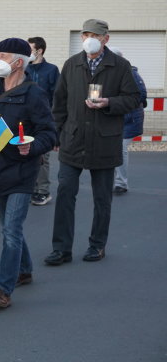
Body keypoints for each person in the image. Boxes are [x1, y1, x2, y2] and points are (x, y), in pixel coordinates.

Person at [44, 19, 140, 266]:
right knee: (65, 193)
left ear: (106, 38)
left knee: (102, 199)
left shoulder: (120, 66)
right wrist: (57, 133)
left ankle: (97, 245)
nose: (89, 38)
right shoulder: (72, 64)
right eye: (85, 33)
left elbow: (132, 99)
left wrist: (109, 103)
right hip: (73, 139)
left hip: (104, 141)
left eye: (94, 34)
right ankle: (61, 249)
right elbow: (60, 103)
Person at [0, 38, 56, 308]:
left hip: (21, 172)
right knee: (9, 229)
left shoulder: (34, 94)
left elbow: (49, 133)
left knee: (11, 230)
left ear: (19, 62)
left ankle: (2, 289)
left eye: (3, 55)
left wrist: (32, 145)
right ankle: (24, 270)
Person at [26, 37, 60, 206]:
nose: (26, 52)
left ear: (39, 51)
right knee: (26, 154)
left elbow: (57, 97)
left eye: (29, 48)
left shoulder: (51, 70)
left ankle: (43, 191)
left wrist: (54, 123)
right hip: (26, 122)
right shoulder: (24, 69)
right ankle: (30, 187)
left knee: (43, 158)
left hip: (44, 121)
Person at [110, 47, 147, 195]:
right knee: (113, 148)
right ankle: (112, 180)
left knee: (120, 149)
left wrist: (121, 103)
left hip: (128, 119)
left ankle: (121, 183)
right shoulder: (111, 74)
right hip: (115, 118)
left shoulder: (131, 73)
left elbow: (141, 95)